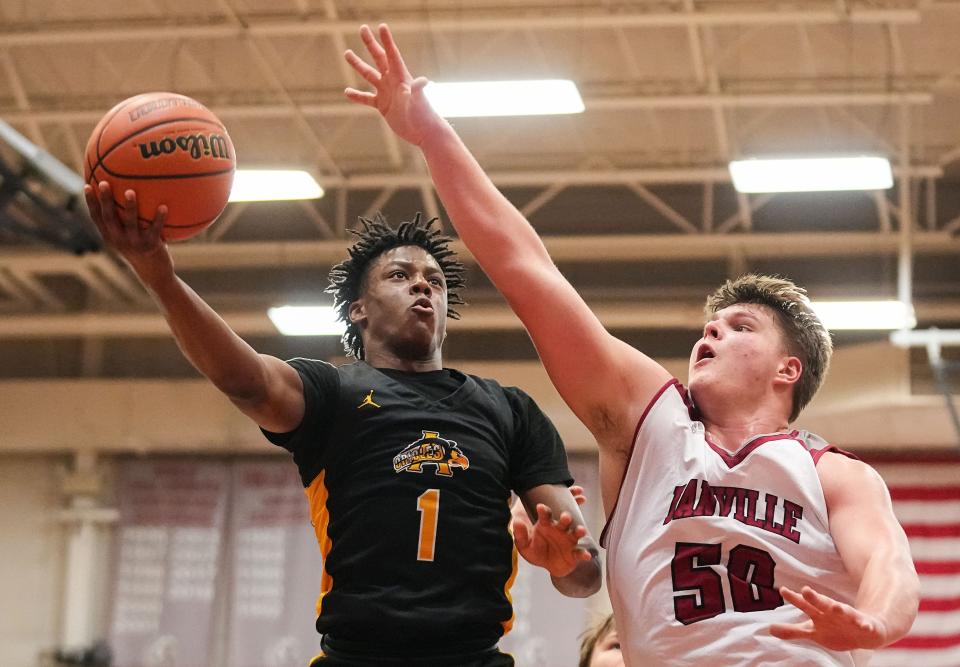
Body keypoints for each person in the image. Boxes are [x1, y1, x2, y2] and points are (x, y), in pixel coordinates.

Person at [343, 23, 920, 666]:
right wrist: (432, 134)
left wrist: (875, 623)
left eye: (740, 327)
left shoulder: (835, 474)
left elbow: (889, 564)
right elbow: (525, 266)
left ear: (790, 368)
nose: (712, 331)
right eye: (711, 323)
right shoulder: (651, 422)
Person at [81, 184, 602, 666]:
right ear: (357, 309)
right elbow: (246, 380)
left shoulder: (509, 409)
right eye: (399, 276)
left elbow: (585, 575)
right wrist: (161, 278)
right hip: (358, 656)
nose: (422, 284)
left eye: (435, 281)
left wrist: (563, 565)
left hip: (474, 657)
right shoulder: (334, 394)